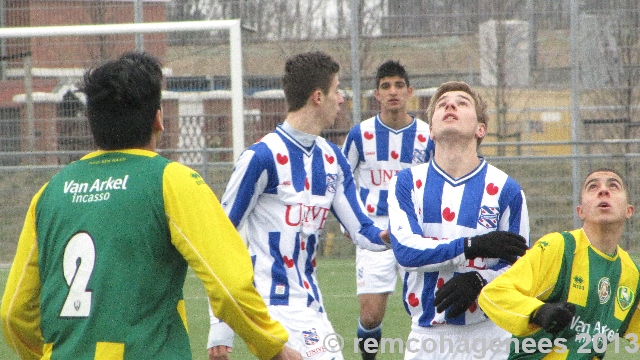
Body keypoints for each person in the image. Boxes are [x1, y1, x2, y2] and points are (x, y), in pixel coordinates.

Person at [0, 52, 301, 360]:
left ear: (92, 122)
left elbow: (13, 313)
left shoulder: (49, 194)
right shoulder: (172, 181)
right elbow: (231, 288)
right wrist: (272, 347)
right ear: (158, 118)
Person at [206, 51, 389, 360]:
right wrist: (220, 325)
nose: (341, 98)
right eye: (337, 89)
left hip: (312, 307)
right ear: (318, 97)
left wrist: (399, 236)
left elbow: (363, 231)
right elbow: (220, 237)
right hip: (270, 307)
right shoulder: (261, 158)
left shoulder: (333, 159)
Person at [387, 80, 530, 360]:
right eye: (442, 104)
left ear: (481, 129)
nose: (450, 105)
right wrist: (470, 246)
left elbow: (520, 269)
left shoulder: (507, 190)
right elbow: (406, 251)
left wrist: (480, 279)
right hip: (426, 336)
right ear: (431, 130)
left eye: (462, 103)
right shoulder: (406, 183)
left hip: (490, 335)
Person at [479, 168, 640, 359]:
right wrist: (538, 312)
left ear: (629, 210)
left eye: (613, 186)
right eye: (593, 186)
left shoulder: (631, 274)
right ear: (580, 211)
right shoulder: (560, 248)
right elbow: (493, 294)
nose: (603, 191)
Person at [341, 60, 434, 360]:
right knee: (370, 317)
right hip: (374, 231)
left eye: (398, 85)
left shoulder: (427, 135)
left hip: (416, 231)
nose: (392, 92)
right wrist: (350, 224)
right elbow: (341, 180)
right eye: (385, 86)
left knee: (424, 311)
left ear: (410, 92)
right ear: (377, 94)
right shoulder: (360, 135)